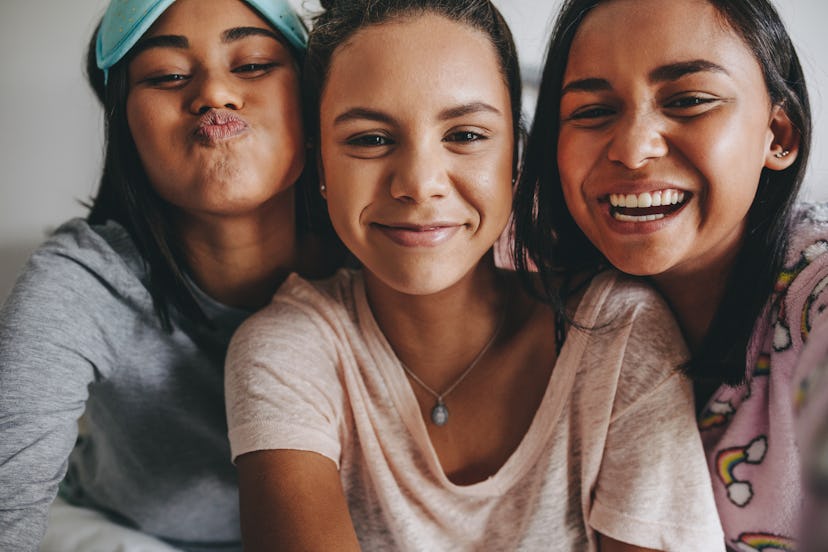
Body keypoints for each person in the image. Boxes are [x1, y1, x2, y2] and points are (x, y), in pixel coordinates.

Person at [224, 1, 725, 550]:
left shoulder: (618, 333)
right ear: (321, 167)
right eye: (370, 139)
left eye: (465, 135)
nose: (419, 183)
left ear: (516, 157)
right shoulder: (287, 351)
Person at [0, 0, 342, 550]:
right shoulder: (80, 282)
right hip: (131, 530)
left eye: (252, 63)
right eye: (168, 76)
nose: (213, 94)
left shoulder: (381, 249)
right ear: (125, 127)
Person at [514, 0, 828, 548]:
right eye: (591, 112)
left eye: (688, 102)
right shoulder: (523, 259)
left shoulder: (815, 295)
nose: (634, 150)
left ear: (779, 135)